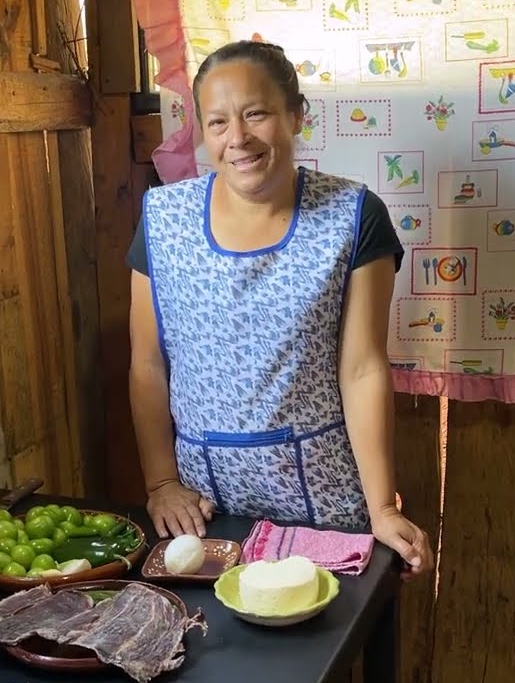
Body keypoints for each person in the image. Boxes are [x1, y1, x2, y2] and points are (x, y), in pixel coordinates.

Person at [125, 40, 433, 577]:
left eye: (256, 114)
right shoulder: (163, 220)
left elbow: (362, 369)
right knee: (213, 649)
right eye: (217, 122)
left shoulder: (353, 215)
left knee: (323, 648)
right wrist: (161, 484)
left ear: (295, 115)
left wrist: (382, 508)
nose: (238, 138)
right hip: (202, 513)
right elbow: (148, 364)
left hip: (324, 499)